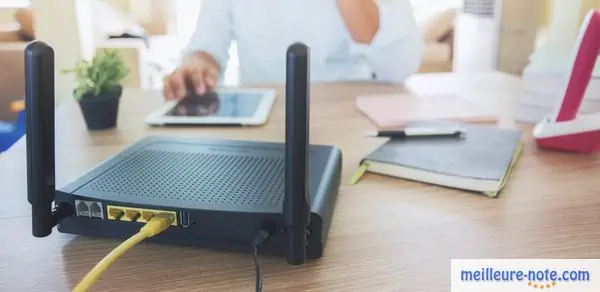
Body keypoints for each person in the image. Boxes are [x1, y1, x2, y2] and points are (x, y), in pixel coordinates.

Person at [163, 0, 423, 100]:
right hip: (265, 122)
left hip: (350, 117)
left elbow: (401, 64)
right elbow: (207, 47)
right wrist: (198, 66)